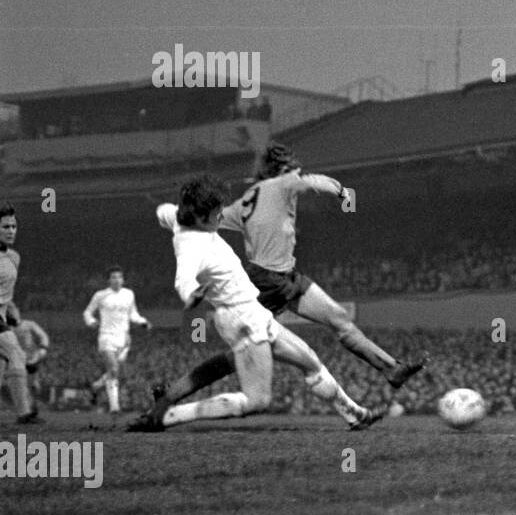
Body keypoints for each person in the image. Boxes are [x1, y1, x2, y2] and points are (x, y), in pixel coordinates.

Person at [147, 142, 425, 414]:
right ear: (282, 169)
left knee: (339, 318)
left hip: (285, 277)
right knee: (237, 358)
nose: (298, 173)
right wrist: (341, 191)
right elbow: (314, 181)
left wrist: (176, 216)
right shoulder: (282, 184)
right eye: (294, 168)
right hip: (266, 283)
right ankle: (172, 394)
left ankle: (392, 369)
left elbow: (213, 221)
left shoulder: (246, 200)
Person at [127, 176, 384, 432]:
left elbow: (164, 211)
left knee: (311, 362)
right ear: (200, 218)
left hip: (254, 312)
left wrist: (167, 211)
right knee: (257, 400)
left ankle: (354, 414)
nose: (221, 218)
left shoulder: (180, 219)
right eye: (217, 214)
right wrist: (192, 295)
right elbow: (183, 279)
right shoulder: (192, 246)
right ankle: (168, 416)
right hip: (241, 320)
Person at [83, 266, 150, 413]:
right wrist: (91, 321)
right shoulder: (100, 295)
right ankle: (115, 407)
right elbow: (87, 312)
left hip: (124, 338)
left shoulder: (129, 294)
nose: (117, 280)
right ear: (108, 280)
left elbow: (133, 314)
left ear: (123, 279)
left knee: (114, 370)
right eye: (113, 277)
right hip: (106, 336)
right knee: (113, 369)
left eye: (119, 277)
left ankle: (96, 386)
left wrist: (142, 322)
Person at [0, 203, 39, 424]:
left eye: (14, 226)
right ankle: (24, 414)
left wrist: (11, 312)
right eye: (6, 226)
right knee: (16, 354)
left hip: (2, 316)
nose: (11, 230)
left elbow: (7, 294)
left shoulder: (14, 257)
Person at [10, 306, 51, 406]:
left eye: (13, 312)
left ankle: (33, 407)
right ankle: (27, 410)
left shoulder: (29, 324)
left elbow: (43, 335)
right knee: (21, 386)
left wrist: (43, 347)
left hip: (32, 359)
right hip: (17, 361)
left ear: (17, 312)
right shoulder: (7, 329)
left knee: (33, 385)